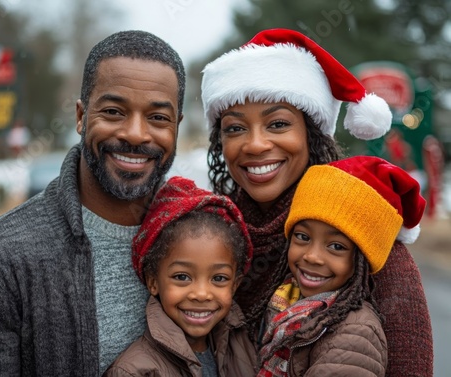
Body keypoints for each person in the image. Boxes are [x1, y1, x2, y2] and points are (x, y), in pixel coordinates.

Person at [0, 30, 185, 376]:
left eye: (158, 117)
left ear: (177, 127)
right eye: (114, 111)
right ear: (80, 117)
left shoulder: (205, 237)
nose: (136, 133)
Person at [201, 28, 433, 377]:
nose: (255, 145)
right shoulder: (208, 232)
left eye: (277, 124)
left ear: (312, 133)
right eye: (235, 129)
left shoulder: (361, 230)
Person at [257, 155, 426, 376]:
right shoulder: (285, 299)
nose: (312, 256)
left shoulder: (353, 334)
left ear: (362, 261)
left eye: (336, 246)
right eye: (302, 236)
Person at [104, 176, 258, 376]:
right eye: (182, 277)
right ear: (153, 281)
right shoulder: (135, 371)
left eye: (219, 278)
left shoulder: (241, 344)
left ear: (235, 285)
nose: (201, 294)